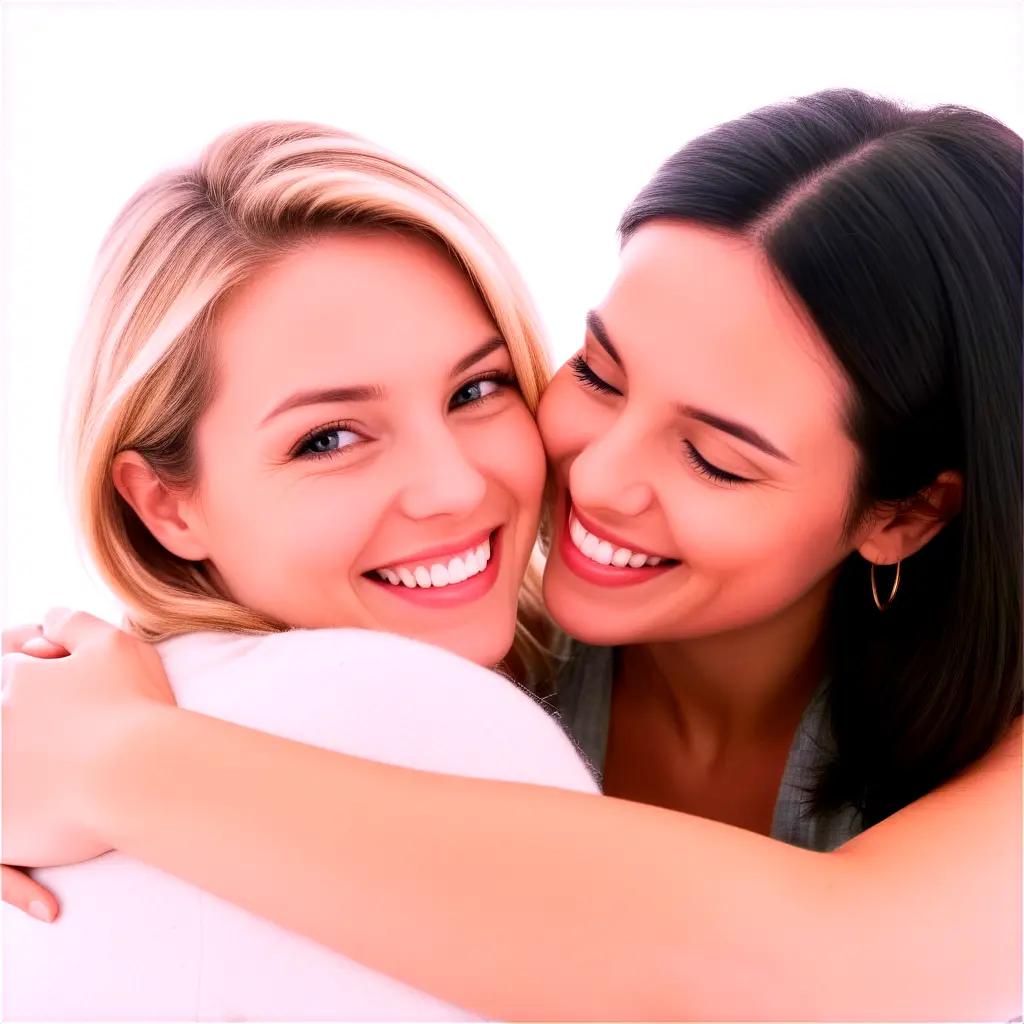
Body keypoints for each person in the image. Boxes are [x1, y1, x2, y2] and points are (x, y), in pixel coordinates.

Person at [5, 89, 1021, 1020]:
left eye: (713, 457)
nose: (595, 474)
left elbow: (821, 971)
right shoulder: (404, 677)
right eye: (600, 373)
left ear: (906, 514)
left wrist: (108, 760)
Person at [0, 119, 599, 1021]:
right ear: (165, 502)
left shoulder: (82, 733)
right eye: (329, 438)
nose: (451, 485)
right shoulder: (417, 711)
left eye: (476, 389)